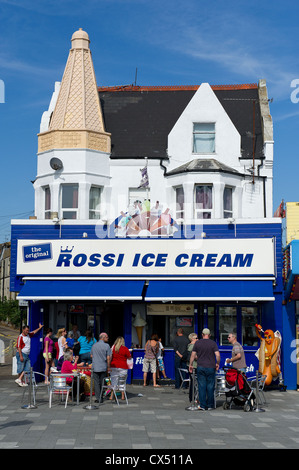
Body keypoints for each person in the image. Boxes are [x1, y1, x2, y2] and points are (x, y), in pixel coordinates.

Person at [189, 328, 220, 411]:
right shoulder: (213, 343)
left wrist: (191, 365)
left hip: (201, 366)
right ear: (209, 335)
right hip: (211, 367)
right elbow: (217, 355)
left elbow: (192, 355)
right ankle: (210, 405)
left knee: (201, 386)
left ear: (202, 334)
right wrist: (217, 363)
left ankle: (202, 405)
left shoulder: (197, 343)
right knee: (210, 386)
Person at [91, 332, 112, 403]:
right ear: (102, 338)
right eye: (106, 337)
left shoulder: (94, 345)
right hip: (103, 367)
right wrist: (108, 366)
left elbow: (91, 355)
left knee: (97, 383)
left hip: (95, 366)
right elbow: (108, 357)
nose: (108, 338)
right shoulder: (107, 346)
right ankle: (101, 396)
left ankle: (98, 398)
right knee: (102, 382)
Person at [109, 336, 132, 401]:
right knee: (122, 382)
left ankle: (111, 395)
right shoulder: (125, 349)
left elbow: (109, 356)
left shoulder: (113, 348)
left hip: (113, 366)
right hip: (123, 366)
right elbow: (129, 357)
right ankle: (122, 396)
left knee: (113, 381)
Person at [187, 332, 198, 402]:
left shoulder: (189, 345)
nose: (198, 339)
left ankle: (192, 397)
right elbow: (194, 356)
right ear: (192, 339)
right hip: (194, 366)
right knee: (194, 383)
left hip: (190, 365)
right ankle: (193, 398)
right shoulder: (193, 346)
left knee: (193, 382)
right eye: (196, 338)